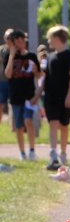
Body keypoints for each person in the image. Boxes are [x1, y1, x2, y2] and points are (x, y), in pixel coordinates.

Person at [42, 25, 70, 169]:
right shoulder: (50, 57)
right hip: (51, 96)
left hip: (64, 96)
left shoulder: (68, 55)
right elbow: (46, 78)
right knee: (53, 123)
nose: (48, 41)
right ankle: (53, 155)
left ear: (56, 38)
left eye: (50, 38)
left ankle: (63, 153)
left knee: (64, 125)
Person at [4, 29, 40, 161]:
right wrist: (12, 56)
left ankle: (32, 150)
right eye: (17, 42)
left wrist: (36, 70)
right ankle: (22, 153)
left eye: (22, 41)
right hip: (15, 96)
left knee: (28, 121)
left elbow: (39, 75)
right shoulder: (8, 56)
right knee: (18, 126)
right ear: (13, 43)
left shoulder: (31, 56)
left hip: (29, 96)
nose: (21, 44)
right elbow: (7, 74)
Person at [0, 29, 14, 125]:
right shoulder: (1, 50)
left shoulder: (17, 50)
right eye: (7, 37)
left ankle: (13, 125)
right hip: (2, 80)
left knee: (13, 104)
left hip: (14, 81)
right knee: (1, 103)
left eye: (11, 37)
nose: (9, 40)